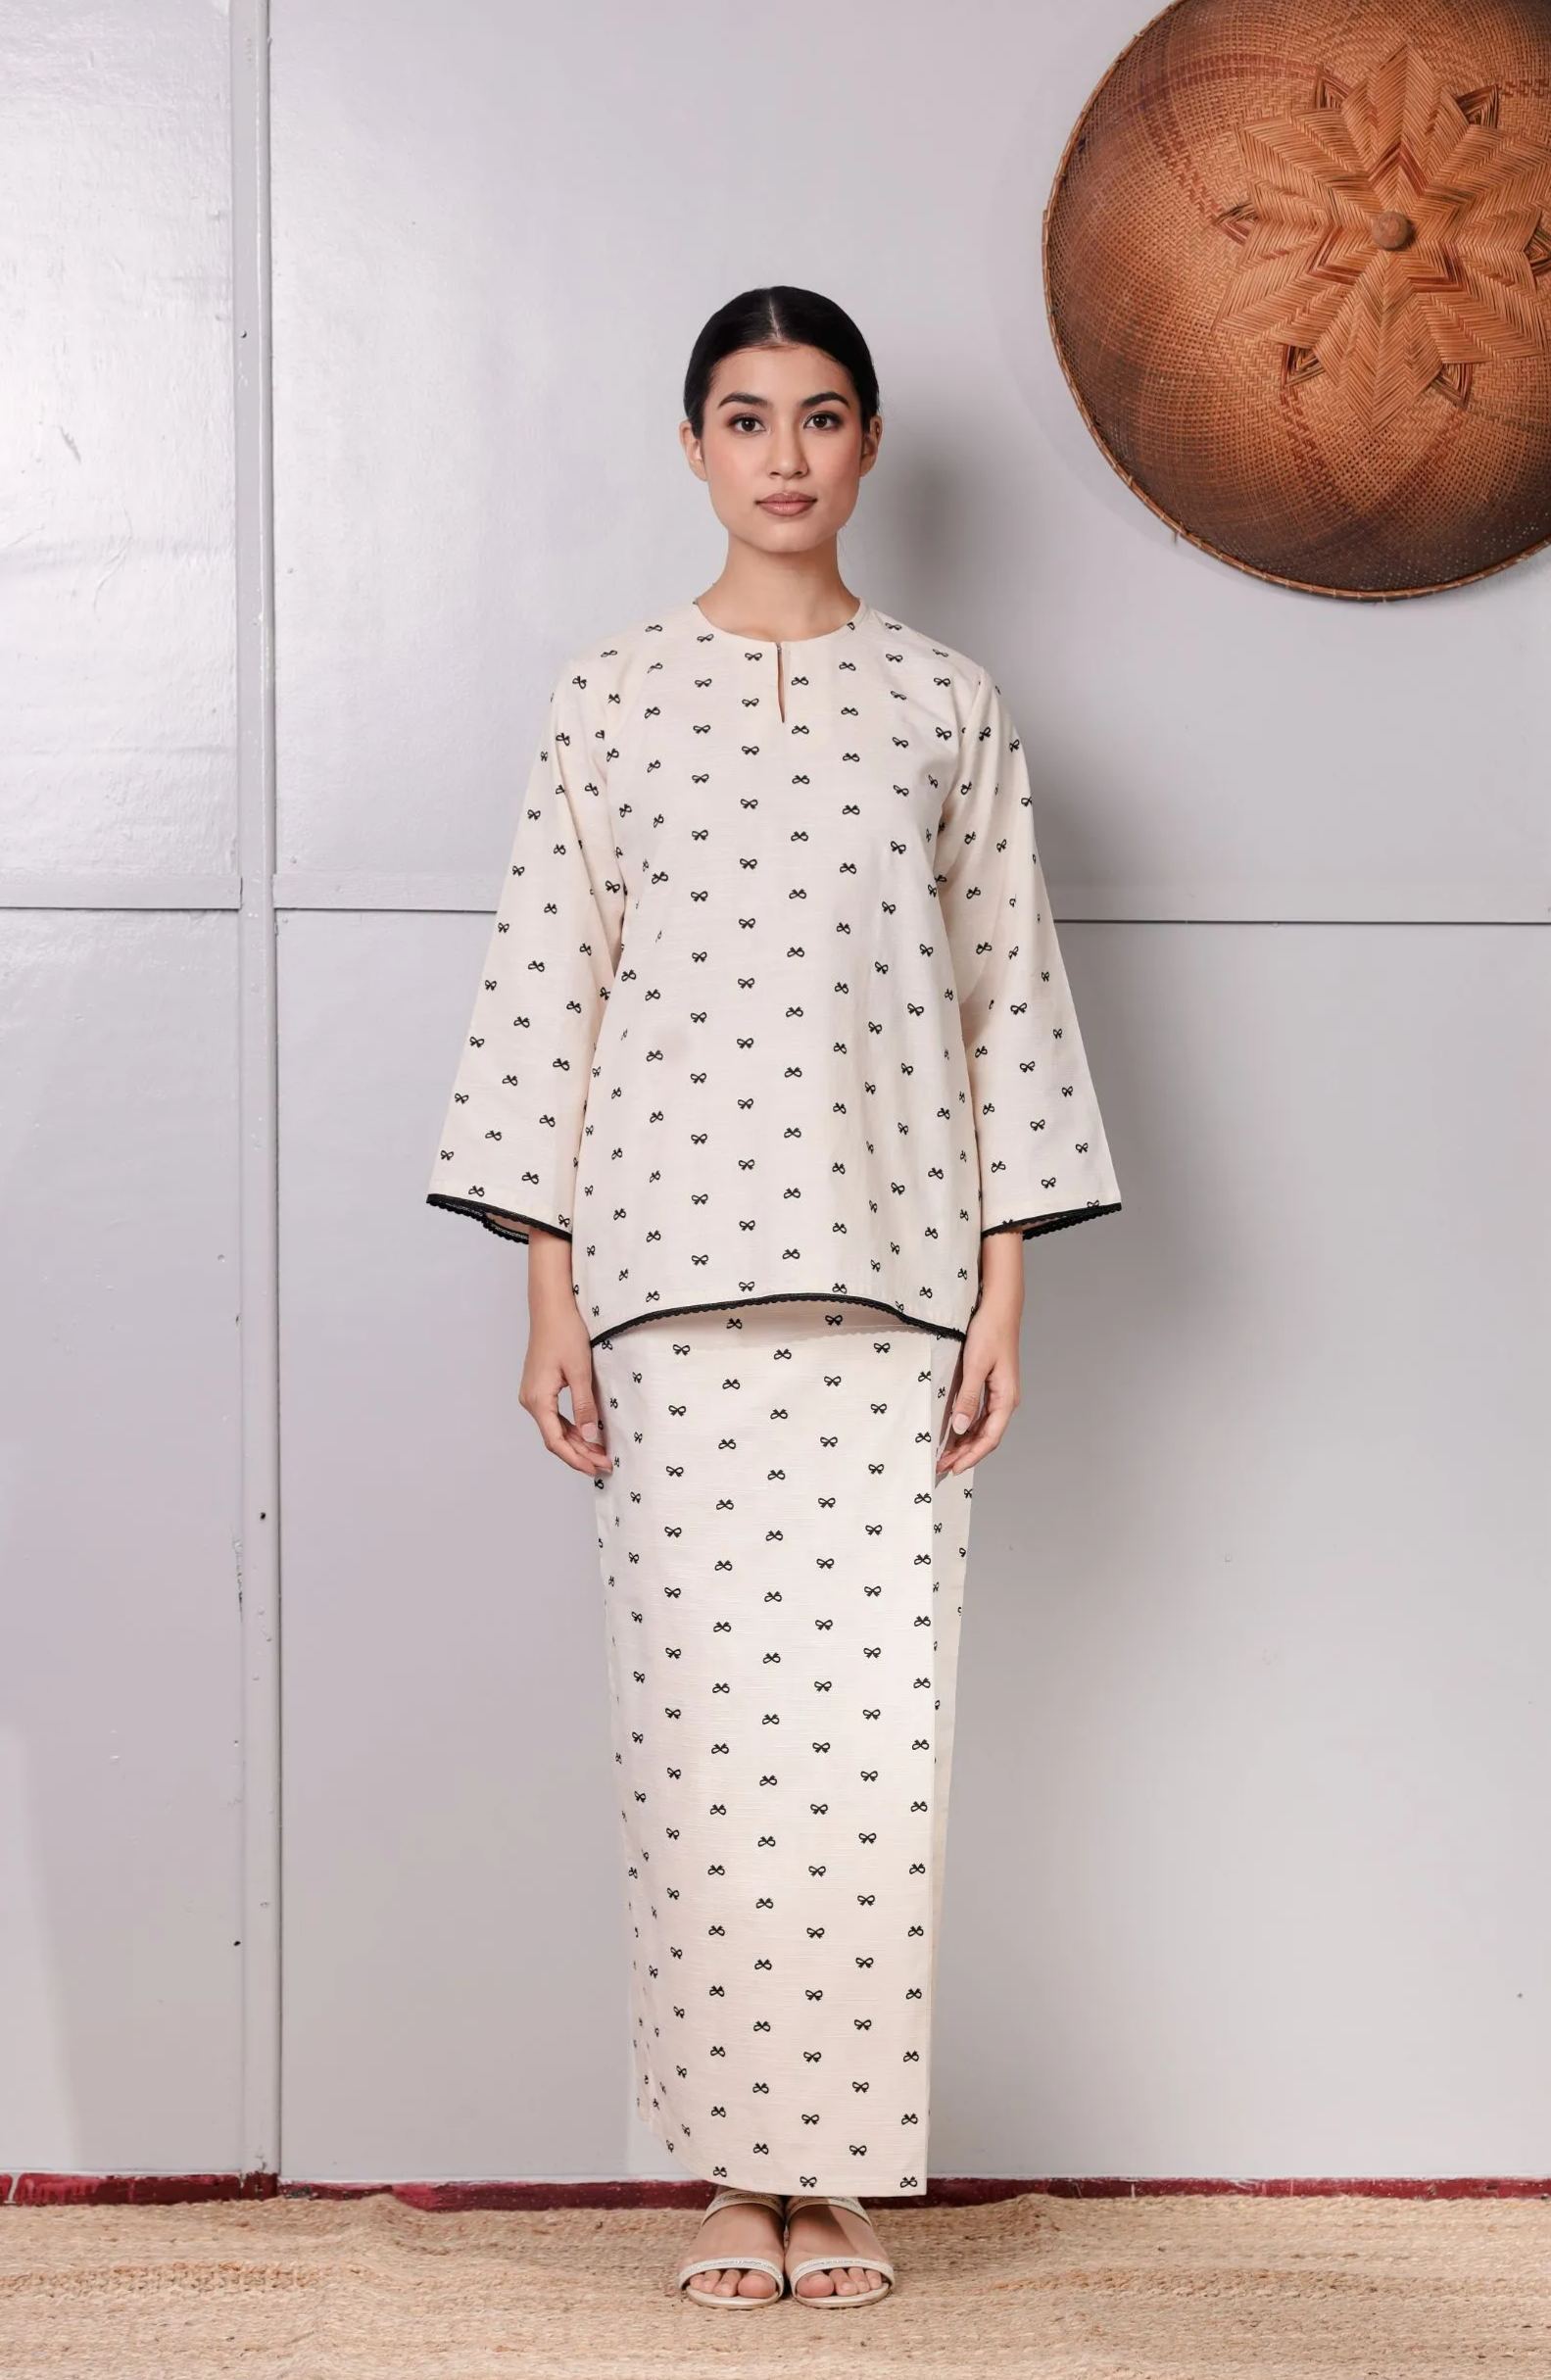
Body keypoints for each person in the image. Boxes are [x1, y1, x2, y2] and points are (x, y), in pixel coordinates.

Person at [426, 285, 1122, 2307]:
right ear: (694, 448)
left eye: (821, 416)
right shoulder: (610, 697)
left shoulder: (947, 704)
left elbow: (1006, 1004)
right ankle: (740, 2177)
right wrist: (550, 1298)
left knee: (869, 1753)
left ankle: (843, 2177)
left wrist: (1003, 1297)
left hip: (897, 1296)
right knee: (700, 1744)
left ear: (869, 443)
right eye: (747, 418)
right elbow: (548, 997)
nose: (786, 454)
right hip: (662, 1293)